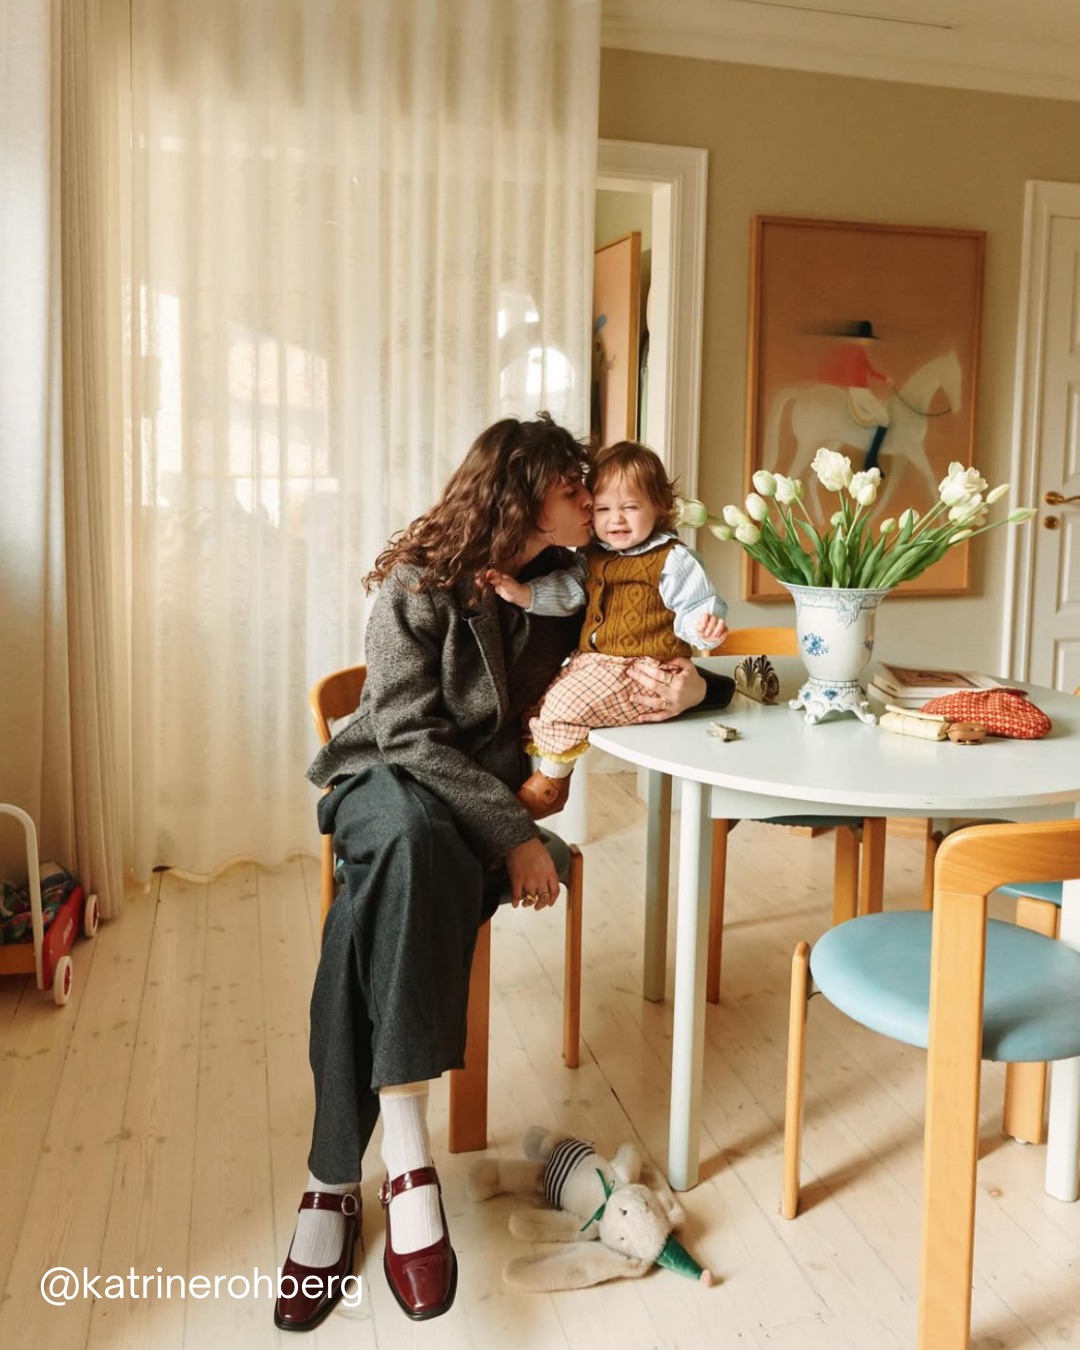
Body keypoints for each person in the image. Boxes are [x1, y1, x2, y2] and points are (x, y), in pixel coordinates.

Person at [275, 415, 732, 1332]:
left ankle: (336, 1182)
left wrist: (700, 685)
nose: (592, 500)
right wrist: (516, 835)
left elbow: (647, 653)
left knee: (387, 890)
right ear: (525, 497)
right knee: (406, 838)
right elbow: (405, 737)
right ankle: (406, 1158)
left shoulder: (572, 584)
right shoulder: (418, 584)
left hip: (461, 815)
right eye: (575, 487)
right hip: (385, 781)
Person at [488, 441, 729, 818]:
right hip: (594, 662)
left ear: (660, 507)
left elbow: (695, 605)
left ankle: (551, 785)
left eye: (630, 507)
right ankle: (540, 778)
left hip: (643, 670)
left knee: (565, 707)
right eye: (603, 509)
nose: (616, 520)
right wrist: (525, 595)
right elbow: (571, 590)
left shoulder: (672, 558)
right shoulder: (594, 555)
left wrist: (704, 629)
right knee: (539, 703)